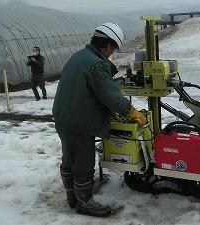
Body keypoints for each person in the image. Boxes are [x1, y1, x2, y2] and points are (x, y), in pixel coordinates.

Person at [52, 22, 146, 217]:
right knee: (84, 165)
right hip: (80, 123)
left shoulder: (79, 56)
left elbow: (85, 90)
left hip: (64, 118)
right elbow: (111, 96)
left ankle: (73, 197)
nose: (112, 54)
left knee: (69, 159)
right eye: (114, 49)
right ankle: (84, 202)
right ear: (109, 46)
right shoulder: (97, 64)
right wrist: (131, 112)